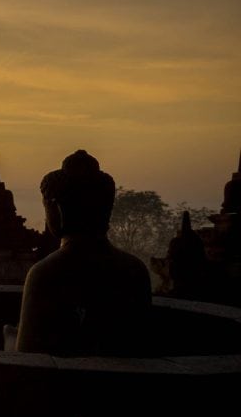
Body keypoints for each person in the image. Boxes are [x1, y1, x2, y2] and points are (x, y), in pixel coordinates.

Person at [9, 150, 151, 355]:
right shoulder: (135, 269)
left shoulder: (46, 273)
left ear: (58, 210)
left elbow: (29, 361)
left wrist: (10, 339)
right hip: (130, 385)